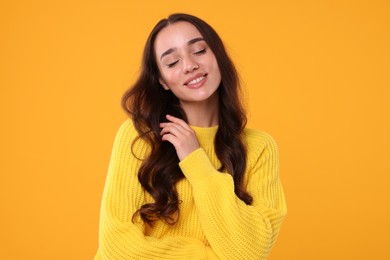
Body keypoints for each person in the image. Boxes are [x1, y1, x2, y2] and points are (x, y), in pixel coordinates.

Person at [94, 13, 287, 260]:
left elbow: (251, 252)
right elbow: (117, 247)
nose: (189, 65)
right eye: (172, 62)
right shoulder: (140, 137)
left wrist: (196, 161)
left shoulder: (259, 148)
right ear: (162, 81)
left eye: (199, 50)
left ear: (218, 55)